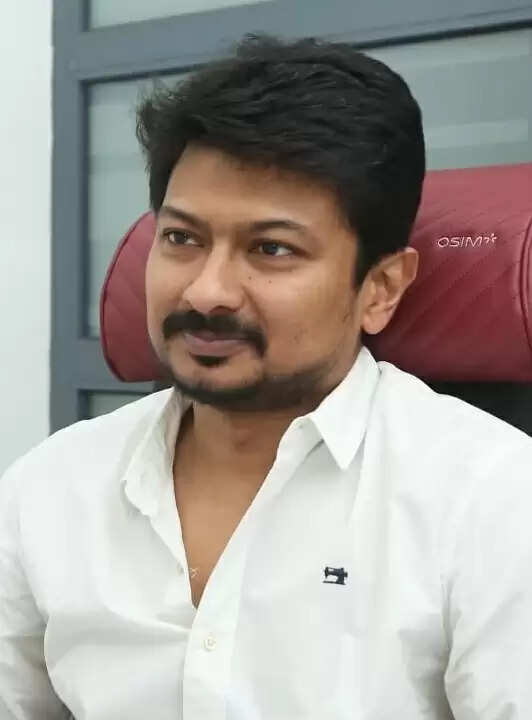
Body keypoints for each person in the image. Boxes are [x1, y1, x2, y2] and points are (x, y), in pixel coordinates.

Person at [1, 33, 531, 720]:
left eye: (271, 249)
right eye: (182, 238)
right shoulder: (51, 486)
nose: (207, 291)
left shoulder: (491, 498)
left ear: (380, 289)